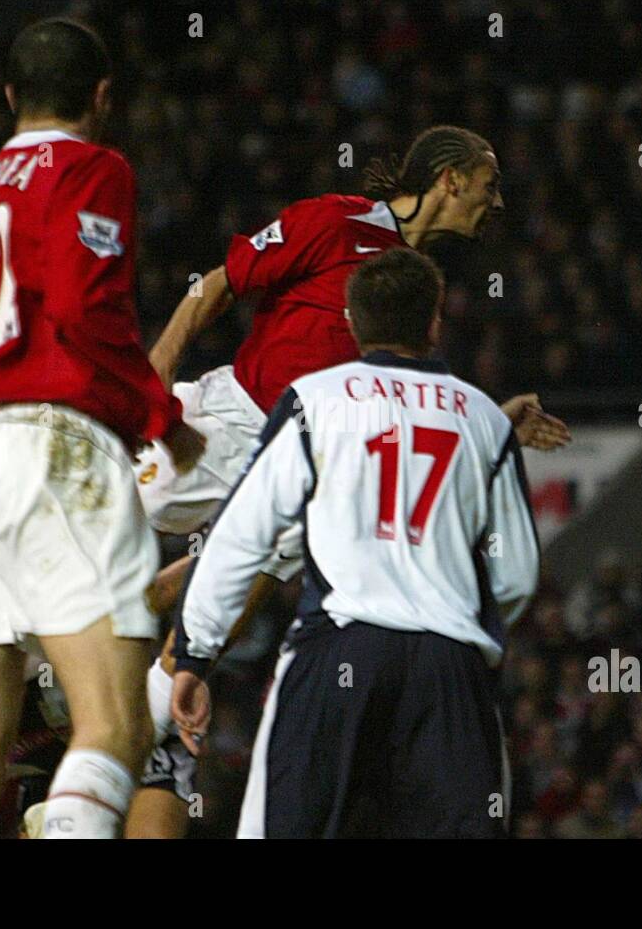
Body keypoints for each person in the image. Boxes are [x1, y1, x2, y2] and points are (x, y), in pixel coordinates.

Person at [126, 125, 568, 837]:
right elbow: (215, 288)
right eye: (490, 182)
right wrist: (150, 390)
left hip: (300, 458)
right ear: (450, 178)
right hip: (224, 423)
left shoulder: (413, 292)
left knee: (276, 551)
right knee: (97, 513)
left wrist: (492, 419)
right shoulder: (337, 220)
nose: (499, 200)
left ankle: (137, 714)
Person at [0, 18, 202, 839]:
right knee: (116, 725)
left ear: (12, 96)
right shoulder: (93, 168)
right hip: (53, 443)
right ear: (102, 98)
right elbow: (84, 305)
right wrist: (162, 419)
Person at [171, 248, 540, 837]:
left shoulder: (317, 398)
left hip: (339, 653)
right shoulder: (485, 420)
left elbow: (241, 535)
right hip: (449, 668)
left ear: (350, 320)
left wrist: (195, 653)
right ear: (435, 321)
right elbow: (517, 575)